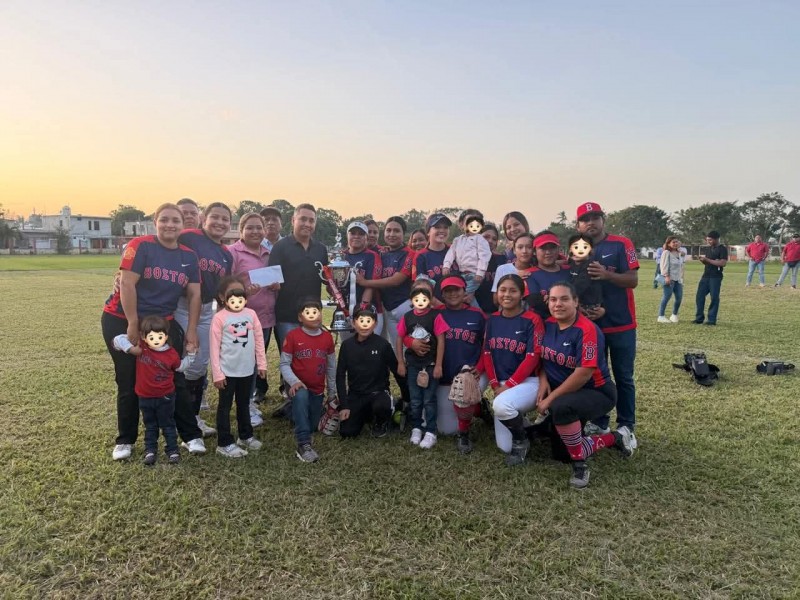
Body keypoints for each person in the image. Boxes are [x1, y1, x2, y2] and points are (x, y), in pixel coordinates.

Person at [101, 203, 205, 461]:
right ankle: (125, 440)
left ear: (183, 225)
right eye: (164, 219)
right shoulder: (141, 245)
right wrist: (132, 323)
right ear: (155, 222)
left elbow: (195, 295)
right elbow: (127, 283)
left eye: (175, 220)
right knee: (128, 380)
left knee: (174, 378)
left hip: (162, 324)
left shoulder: (189, 256)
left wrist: (191, 330)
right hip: (121, 319)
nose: (170, 225)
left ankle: (190, 436)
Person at [536, 282, 635, 489]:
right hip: (570, 394)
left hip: (596, 391)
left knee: (560, 407)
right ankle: (615, 438)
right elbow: (542, 359)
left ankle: (580, 465)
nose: (558, 304)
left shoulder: (588, 329)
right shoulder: (548, 324)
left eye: (564, 299)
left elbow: (583, 373)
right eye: (553, 300)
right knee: (561, 454)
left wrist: (550, 398)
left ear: (576, 302)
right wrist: (543, 380)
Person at [575, 202, 639, 443]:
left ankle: (626, 425)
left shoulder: (621, 244)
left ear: (603, 220)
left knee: (623, 376)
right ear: (578, 225)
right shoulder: (577, 248)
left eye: (595, 217)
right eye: (585, 219)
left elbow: (632, 280)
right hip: (592, 326)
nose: (590, 222)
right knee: (596, 376)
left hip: (621, 323)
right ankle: (600, 421)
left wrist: (606, 274)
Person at [173, 202, 234, 438]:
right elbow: (158, 245)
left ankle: (193, 416)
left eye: (225, 219)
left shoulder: (226, 254)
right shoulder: (190, 236)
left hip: (208, 308)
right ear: (203, 218)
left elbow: (222, 290)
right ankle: (176, 417)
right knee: (182, 360)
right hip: (182, 305)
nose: (220, 222)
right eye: (215, 217)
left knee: (199, 364)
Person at [112, 315, 196, 465]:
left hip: (166, 397)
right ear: (144, 336)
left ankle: (172, 451)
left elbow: (180, 367)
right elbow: (117, 340)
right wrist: (131, 349)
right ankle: (150, 451)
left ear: (166, 336)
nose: (156, 340)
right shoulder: (143, 347)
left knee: (168, 425)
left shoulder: (171, 353)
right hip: (145, 397)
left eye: (160, 336)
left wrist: (191, 354)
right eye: (151, 337)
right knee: (150, 426)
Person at [479, 273, 543, 465]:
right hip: (501, 383)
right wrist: (494, 384)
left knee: (502, 406)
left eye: (513, 290)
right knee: (503, 446)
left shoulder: (532, 319)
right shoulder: (493, 319)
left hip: (528, 381)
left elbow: (533, 357)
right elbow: (487, 353)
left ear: (522, 294)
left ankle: (521, 440)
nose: (507, 295)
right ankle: (525, 426)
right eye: (503, 290)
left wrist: (509, 385)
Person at [209, 276, 267, 458]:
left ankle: (245, 435)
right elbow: (214, 348)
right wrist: (217, 374)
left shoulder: (251, 314)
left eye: (240, 293)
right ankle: (224, 443)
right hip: (227, 372)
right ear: (222, 297)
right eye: (231, 294)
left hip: (247, 370)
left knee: (243, 403)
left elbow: (259, 340)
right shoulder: (219, 318)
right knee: (224, 407)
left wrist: (262, 364)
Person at [228, 212, 279, 415]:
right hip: (242, 319)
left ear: (265, 230)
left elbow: (275, 280)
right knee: (244, 364)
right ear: (241, 230)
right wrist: (244, 292)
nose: (255, 231)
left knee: (256, 361)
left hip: (265, 319)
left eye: (259, 227)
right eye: (250, 227)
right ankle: (244, 405)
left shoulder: (269, 253)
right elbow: (225, 285)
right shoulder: (233, 252)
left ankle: (248, 402)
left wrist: (276, 285)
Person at [434, 275, 489, 454]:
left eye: (456, 289)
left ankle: (464, 434)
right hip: (444, 375)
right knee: (445, 430)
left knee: (464, 390)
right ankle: (479, 408)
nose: (452, 294)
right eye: (447, 291)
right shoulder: (436, 313)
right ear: (442, 294)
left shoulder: (477, 314)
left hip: (470, 373)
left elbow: (487, 345)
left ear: (464, 291)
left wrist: (480, 367)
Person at [279, 298, 337, 463]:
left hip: (317, 389)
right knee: (301, 397)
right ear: (300, 317)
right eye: (308, 313)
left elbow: (331, 366)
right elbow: (284, 364)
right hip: (298, 386)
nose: (313, 316)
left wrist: (332, 392)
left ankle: (289, 410)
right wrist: (294, 381)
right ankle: (303, 444)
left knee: (313, 426)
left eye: (316, 312)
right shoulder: (293, 336)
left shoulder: (327, 337)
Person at [268, 203, 329, 345]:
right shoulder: (280, 247)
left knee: (312, 355)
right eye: (303, 219)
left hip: (313, 314)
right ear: (293, 220)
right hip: (287, 317)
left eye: (311, 221)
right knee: (289, 356)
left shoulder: (321, 249)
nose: (307, 224)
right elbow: (272, 280)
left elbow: (327, 279)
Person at [396, 285, 449, 450]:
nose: (420, 302)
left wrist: (438, 364)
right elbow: (399, 338)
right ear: (411, 300)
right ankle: (417, 427)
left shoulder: (436, 316)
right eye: (417, 299)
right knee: (415, 399)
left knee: (429, 400)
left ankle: (431, 431)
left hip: (430, 365)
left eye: (424, 299)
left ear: (430, 299)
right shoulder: (407, 317)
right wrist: (400, 362)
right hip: (413, 365)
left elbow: (441, 340)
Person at [337, 305, 399, 438]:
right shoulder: (347, 345)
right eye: (361, 320)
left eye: (369, 321)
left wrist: (407, 398)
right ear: (353, 323)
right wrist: (344, 405)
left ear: (375, 323)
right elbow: (340, 375)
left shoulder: (383, 345)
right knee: (347, 432)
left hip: (378, 393)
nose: (364, 325)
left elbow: (397, 371)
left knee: (381, 406)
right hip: (356, 395)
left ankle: (382, 420)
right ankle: (365, 416)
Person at [340, 221, 382, 337]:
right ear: (347, 235)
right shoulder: (341, 256)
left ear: (366, 237)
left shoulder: (372, 256)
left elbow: (371, 286)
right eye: (353, 233)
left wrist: (362, 311)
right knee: (348, 345)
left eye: (361, 234)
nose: (356, 236)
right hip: (344, 310)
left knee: (367, 344)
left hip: (367, 311)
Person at [442, 213, 492, 299]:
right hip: (462, 275)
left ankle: (475, 308)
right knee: (464, 297)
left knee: (463, 296)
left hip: (474, 274)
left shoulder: (480, 239)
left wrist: (480, 272)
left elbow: (484, 256)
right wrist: (446, 265)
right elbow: (450, 253)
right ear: (462, 225)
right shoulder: (457, 240)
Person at [525, 231, 571, 319]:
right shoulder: (529, 274)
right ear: (534, 251)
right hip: (542, 323)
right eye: (543, 248)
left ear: (558, 249)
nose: (548, 252)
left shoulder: (569, 270)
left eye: (552, 247)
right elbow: (534, 303)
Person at [414, 213, 453, 300]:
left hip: (461, 302)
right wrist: (440, 305)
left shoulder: (455, 250)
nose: (442, 230)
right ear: (428, 232)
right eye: (437, 227)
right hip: (435, 304)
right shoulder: (421, 256)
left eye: (445, 227)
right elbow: (420, 288)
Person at [693, 230, 728, 326]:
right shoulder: (708, 249)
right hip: (706, 275)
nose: (708, 241)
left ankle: (711, 320)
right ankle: (699, 318)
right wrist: (703, 260)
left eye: (710, 240)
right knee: (699, 296)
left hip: (715, 277)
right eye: (707, 240)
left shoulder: (722, 249)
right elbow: (710, 262)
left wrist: (708, 260)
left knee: (714, 298)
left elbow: (722, 263)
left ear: (717, 239)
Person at [474, 223, 506, 314]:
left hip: (496, 312)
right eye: (486, 237)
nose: (490, 241)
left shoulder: (501, 260)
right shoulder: (467, 260)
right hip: (473, 311)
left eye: (494, 239)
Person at [567, 233, 603, 312]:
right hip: (575, 300)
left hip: (588, 305)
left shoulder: (590, 266)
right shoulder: (571, 263)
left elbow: (579, 286)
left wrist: (563, 294)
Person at [658, 236, 685, 323]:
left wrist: (681, 278)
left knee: (679, 298)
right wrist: (666, 276)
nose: (675, 243)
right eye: (673, 242)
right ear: (669, 243)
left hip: (678, 279)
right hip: (669, 279)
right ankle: (661, 316)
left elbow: (681, 266)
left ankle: (674, 315)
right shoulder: (666, 252)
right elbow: (663, 265)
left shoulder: (679, 253)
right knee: (667, 297)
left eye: (676, 242)